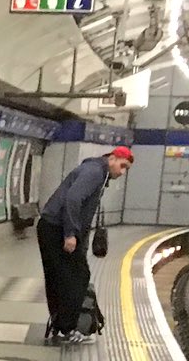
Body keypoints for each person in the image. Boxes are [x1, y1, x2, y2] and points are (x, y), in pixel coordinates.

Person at [38, 145, 132, 344]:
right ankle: (67, 328)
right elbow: (73, 199)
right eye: (122, 166)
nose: (122, 172)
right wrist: (70, 233)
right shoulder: (95, 172)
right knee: (79, 276)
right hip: (57, 228)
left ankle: (60, 324)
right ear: (113, 158)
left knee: (59, 277)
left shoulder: (96, 171)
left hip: (52, 226)